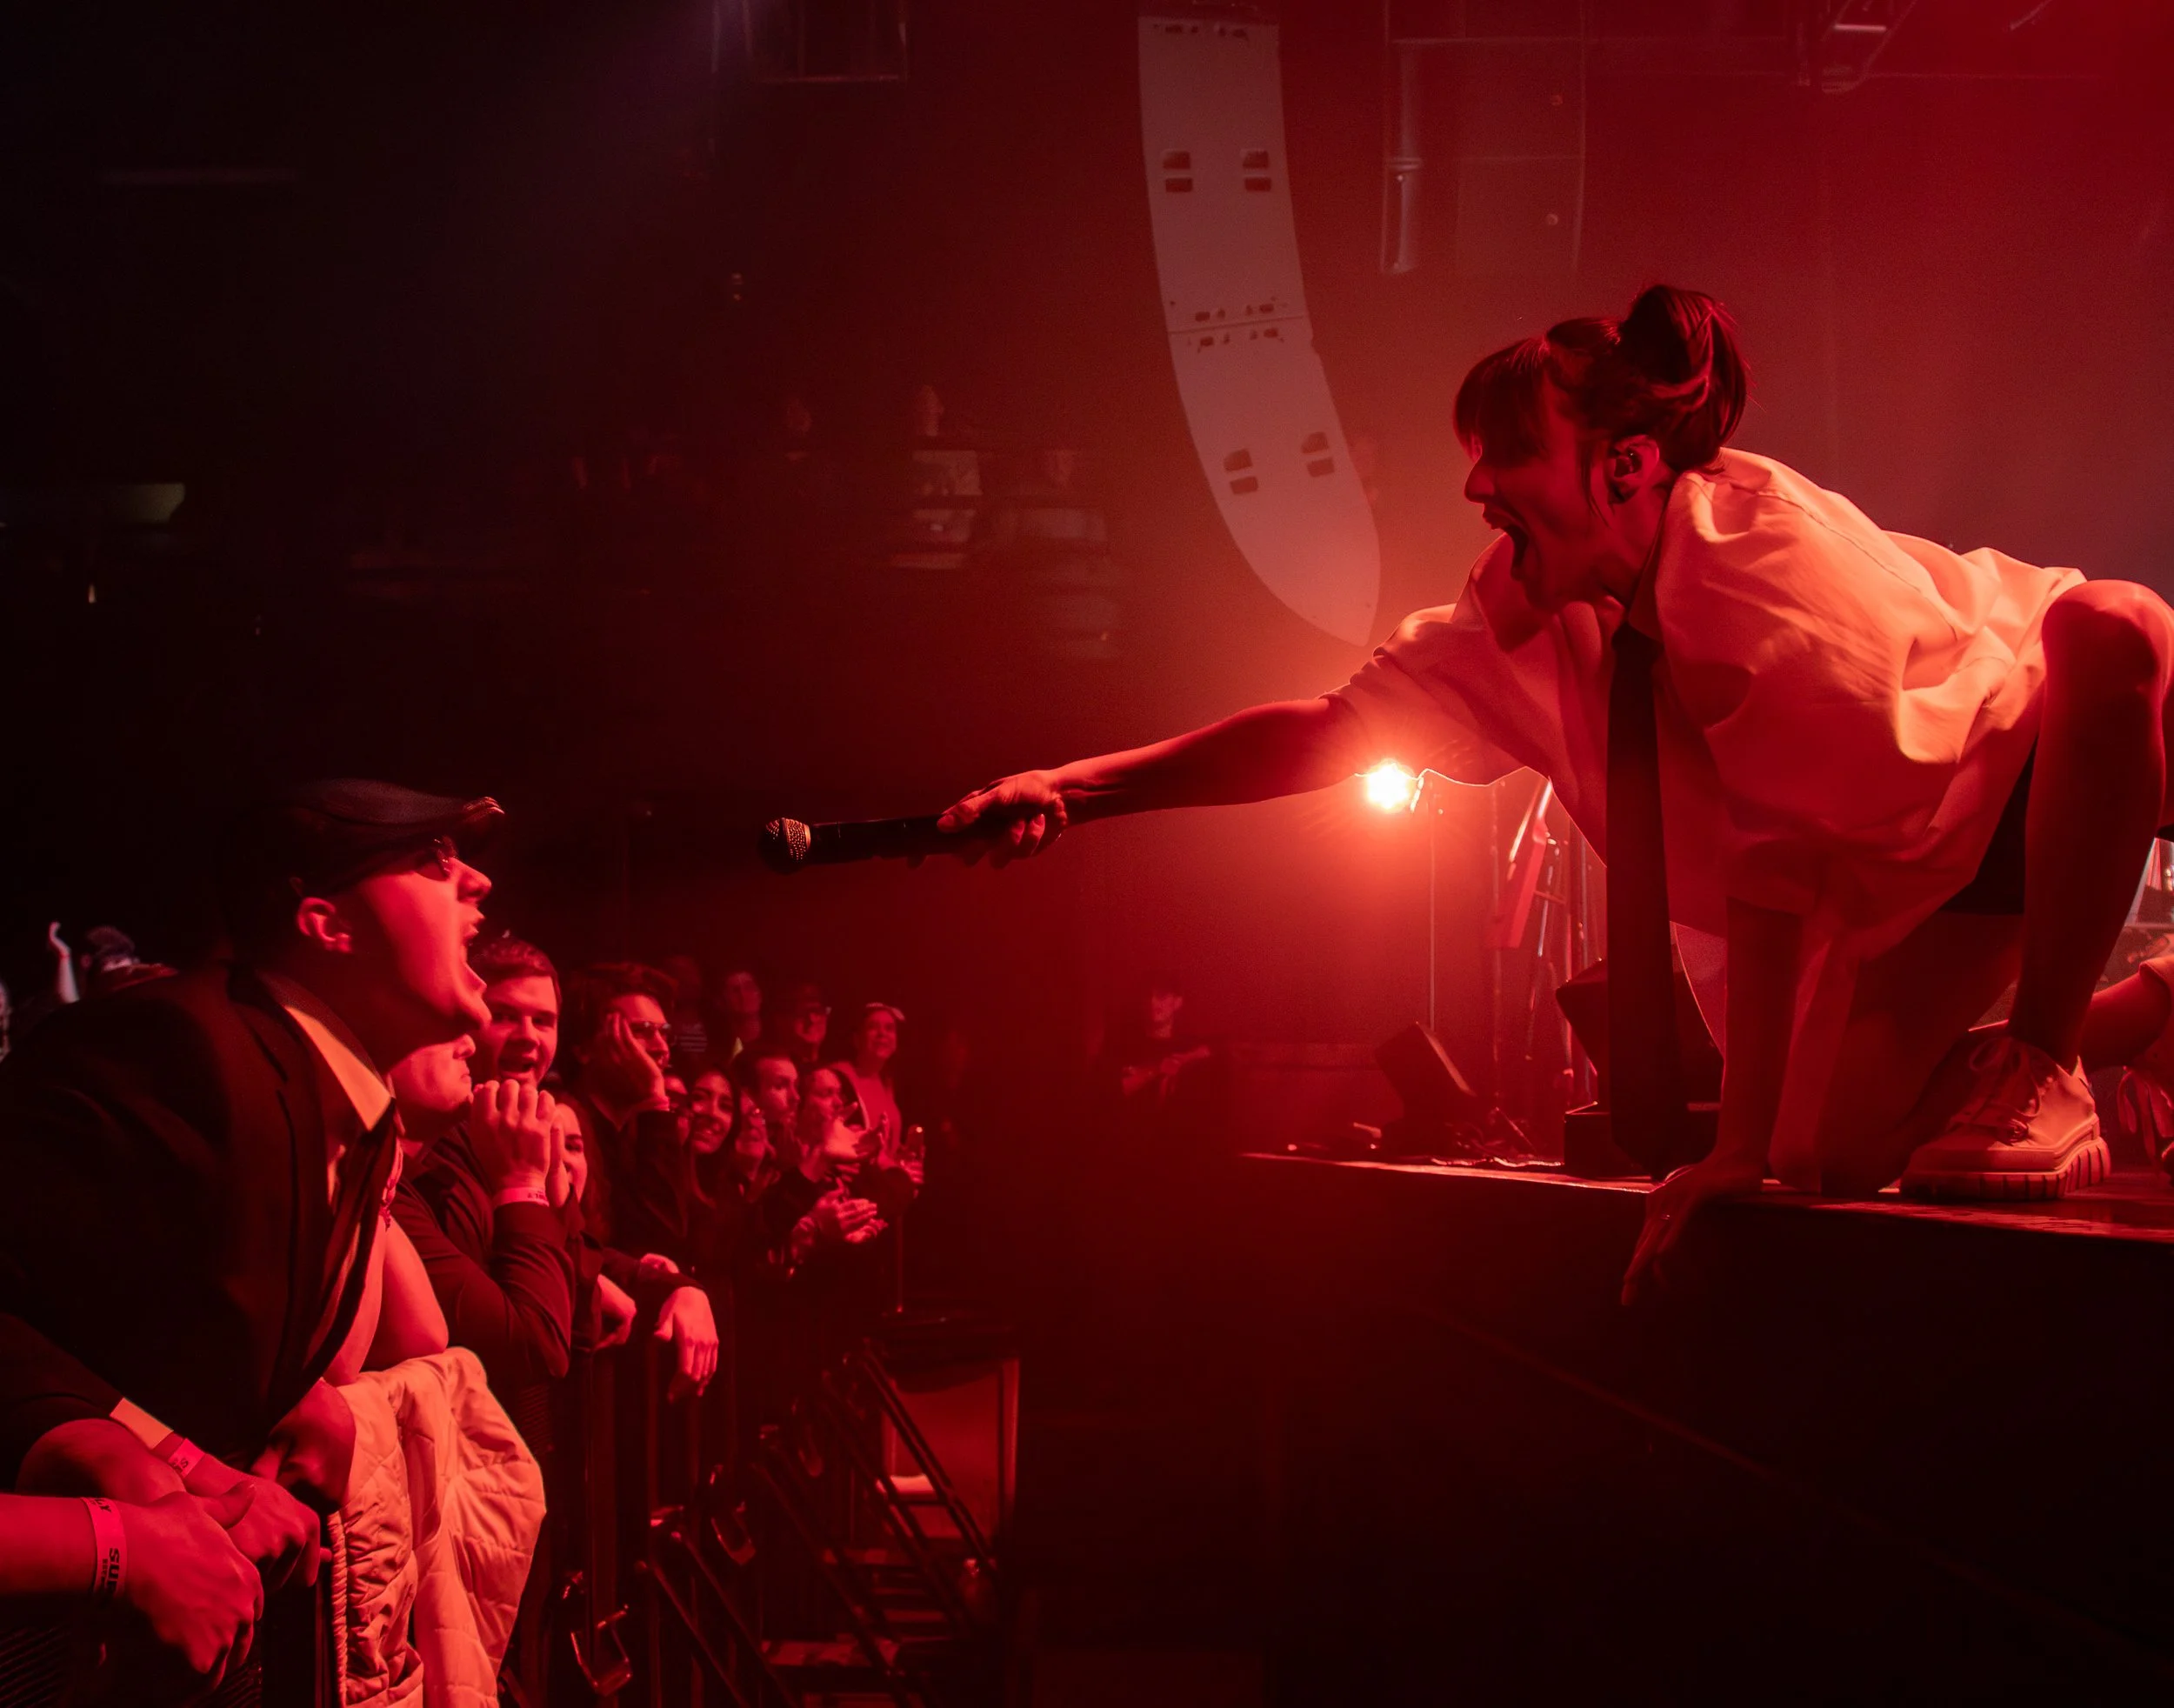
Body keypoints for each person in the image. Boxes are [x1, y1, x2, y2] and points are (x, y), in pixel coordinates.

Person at [936, 284, 2174, 1291]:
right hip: (1903, 876)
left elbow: (1778, 861)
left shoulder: (1751, 561)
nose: (1478, 491)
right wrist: (1076, 785)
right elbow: (1324, 732)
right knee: (1830, 1153)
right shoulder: (1519, 613)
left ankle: (2049, 1059)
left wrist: (1731, 1149)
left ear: (1626, 468)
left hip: (2023, 756)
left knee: (2112, 631)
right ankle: (2155, 1011)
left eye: (1510, 458)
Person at [0, 779, 500, 1695]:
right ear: (326, 922)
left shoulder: (348, 1104)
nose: (478, 882)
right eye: (432, 862)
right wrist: (119, 1450)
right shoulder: (176, 1047)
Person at [832, 1002, 907, 1154]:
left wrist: (903, 1155)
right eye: (873, 1027)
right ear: (856, 1039)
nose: (882, 1034)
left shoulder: (886, 1082)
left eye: (889, 1028)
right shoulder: (839, 1077)